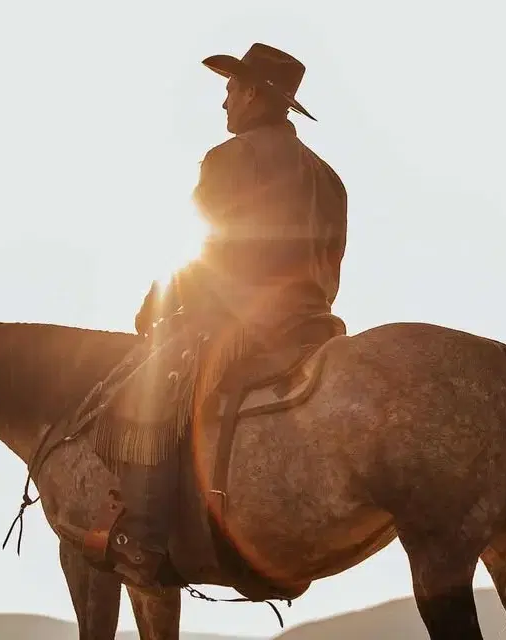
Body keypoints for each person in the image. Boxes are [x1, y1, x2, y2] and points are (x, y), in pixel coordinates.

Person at [116, 42, 349, 585]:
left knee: (148, 389)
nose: (224, 104)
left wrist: (158, 305)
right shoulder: (328, 176)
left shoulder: (227, 160)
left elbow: (205, 247)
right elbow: (333, 260)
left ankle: (145, 540)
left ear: (251, 94)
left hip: (246, 323)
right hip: (315, 323)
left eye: (229, 91)